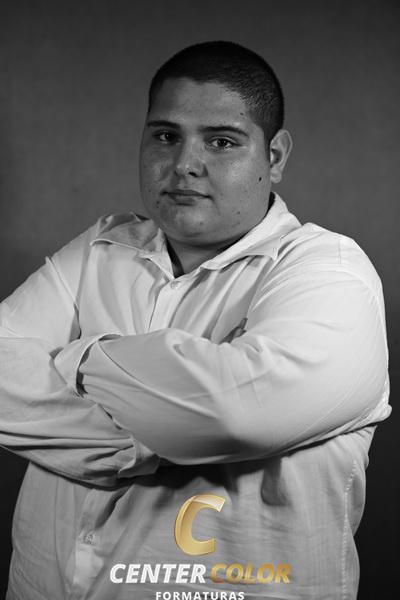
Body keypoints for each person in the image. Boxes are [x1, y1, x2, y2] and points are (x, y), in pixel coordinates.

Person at [0, 41, 390, 600]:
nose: (184, 163)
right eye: (166, 136)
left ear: (275, 157)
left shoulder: (330, 272)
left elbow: (235, 416)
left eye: (222, 141)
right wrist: (150, 439)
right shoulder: (101, 248)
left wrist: (78, 357)